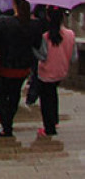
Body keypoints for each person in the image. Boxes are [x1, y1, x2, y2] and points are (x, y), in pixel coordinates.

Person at [0, 0, 43, 137]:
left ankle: (5, 125)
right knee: (14, 94)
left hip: (4, 67)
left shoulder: (4, 22)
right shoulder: (35, 25)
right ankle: (9, 123)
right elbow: (37, 45)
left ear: (14, 5)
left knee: (1, 96)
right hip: (23, 68)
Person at [36, 7, 77, 137]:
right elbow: (74, 58)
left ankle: (49, 128)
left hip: (46, 73)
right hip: (61, 71)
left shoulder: (46, 36)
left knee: (46, 99)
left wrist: (33, 50)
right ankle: (54, 121)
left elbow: (42, 56)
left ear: (48, 17)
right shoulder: (70, 35)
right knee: (53, 94)